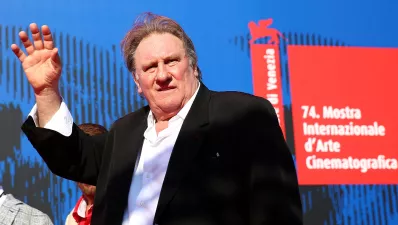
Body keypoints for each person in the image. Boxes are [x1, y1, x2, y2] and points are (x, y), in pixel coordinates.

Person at [12, 12, 303, 225]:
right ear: (137, 82)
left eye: (171, 61)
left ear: (194, 66)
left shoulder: (242, 115)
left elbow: (277, 213)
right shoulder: (124, 131)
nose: (162, 75)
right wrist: (47, 92)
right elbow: (73, 158)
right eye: (150, 67)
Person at [65, 123, 107, 225]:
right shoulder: (71, 219)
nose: (88, 171)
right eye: (80, 162)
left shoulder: (127, 210)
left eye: (95, 160)